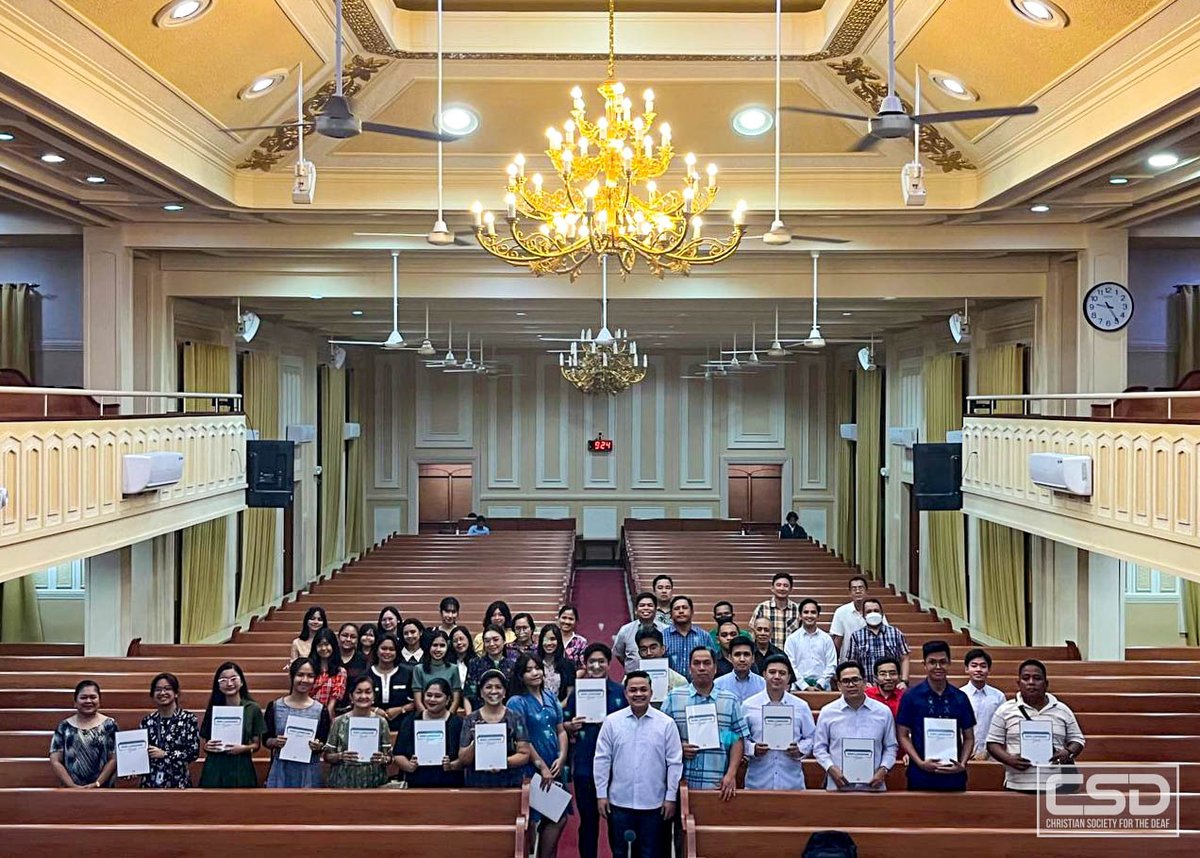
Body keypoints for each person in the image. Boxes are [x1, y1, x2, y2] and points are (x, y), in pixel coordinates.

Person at [594, 671, 683, 858]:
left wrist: (670, 797)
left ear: (651, 692)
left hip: (655, 804)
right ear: (625, 693)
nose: (638, 694)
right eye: (633, 690)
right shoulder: (612, 722)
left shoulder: (666, 724)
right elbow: (602, 759)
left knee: (651, 853)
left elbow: (674, 763)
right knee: (620, 853)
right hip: (619, 803)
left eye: (643, 689)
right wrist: (601, 794)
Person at [662, 646, 750, 802]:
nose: (701, 668)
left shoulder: (729, 700)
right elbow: (660, 737)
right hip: (679, 783)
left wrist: (731, 774)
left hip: (717, 784)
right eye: (696, 663)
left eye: (707, 663)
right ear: (690, 668)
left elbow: (737, 739)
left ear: (715, 668)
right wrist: (679, 747)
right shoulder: (674, 697)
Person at [564, 643, 626, 858]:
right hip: (584, 766)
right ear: (585, 664)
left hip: (616, 769)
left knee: (616, 824)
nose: (596, 666)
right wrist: (570, 726)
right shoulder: (577, 692)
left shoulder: (621, 692)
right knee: (588, 823)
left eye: (601, 661)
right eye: (592, 662)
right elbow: (564, 724)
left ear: (609, 664)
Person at [986, 659, 1085, 792]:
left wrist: (1067, 752)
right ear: (1018, 683)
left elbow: (1078, 739)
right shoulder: (1005, 710)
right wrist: (1009, 759)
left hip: (1056, 786)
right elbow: (992, 743)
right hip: (1017, 784)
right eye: (1026, 678)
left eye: (1037, 678)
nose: (1031, 682)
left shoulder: (1062, 709)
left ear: (1046, 683)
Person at [508, 654, 571, 857]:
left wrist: (561, 758)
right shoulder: (516, 702)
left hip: (555, 764)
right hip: (531, 768)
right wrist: (541, 766)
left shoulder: (550, 696)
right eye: (528, 670)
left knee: (557, 816)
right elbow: (522, 738)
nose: (535, 673)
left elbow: (560, 730)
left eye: (537, 668)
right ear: (520, 676)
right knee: (537, 819)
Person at [895, 640, 975, 792]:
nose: (938, 667)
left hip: (954, 775)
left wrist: (962, 764)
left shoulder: (960, 697)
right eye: (932, 662)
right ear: (924, 664)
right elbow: (903, 735)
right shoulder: (911, 696)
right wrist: (919, 762)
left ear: (949, 663)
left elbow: (969, 737)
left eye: (943, 662)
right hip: (920, 775)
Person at [812, 661, 898, 791]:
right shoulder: (827, 712)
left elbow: (891, 747)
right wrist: (831, 768)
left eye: (855, 680)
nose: (851, 685)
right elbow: (819, 748)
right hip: (838, 787)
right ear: (839, 685)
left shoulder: (883, 712)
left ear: (864, 682)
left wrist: (883, 769)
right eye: (846, 681)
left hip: (873, 787)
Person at [743, 654, 816, 791]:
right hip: (757, 783)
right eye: (772, 672)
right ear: (764, 674)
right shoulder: (748, 705)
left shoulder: (801, 706)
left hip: (792, 783)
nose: (777, 676)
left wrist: (800, 749)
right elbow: (740, 739)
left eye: (782, 673)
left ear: (788, 678)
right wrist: (753, 749)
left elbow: (811, 737)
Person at [264, 657, 333, 788]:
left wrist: (318, 746)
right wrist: (274, 742)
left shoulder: (321, 709)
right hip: (281, 769)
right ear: (292, 676)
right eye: (300, 675)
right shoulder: (274, 706)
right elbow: (266, 739)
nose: (305, 680)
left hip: (310, 771)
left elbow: (324, 741)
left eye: (310, 676)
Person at [458, 669, 532, 788]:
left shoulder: (515, 717)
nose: (493, 691)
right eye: (488, 687)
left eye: (498, 687)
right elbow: (463, 759)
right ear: (481, 693)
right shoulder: (470, 719)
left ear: (504, 692)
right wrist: (476, 742)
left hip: (510, 783)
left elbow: (524, 754)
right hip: (477, 784)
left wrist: (502, 762)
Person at [199, 662, 266, 788]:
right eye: (223, 680)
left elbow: (256, 745)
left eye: (233, 679)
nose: (229, 684)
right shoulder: (214, 708)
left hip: (241, 765)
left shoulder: (253, 709)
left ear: (241, 682)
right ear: (218, 685)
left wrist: (243, 748)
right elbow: (206, 743)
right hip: (215, 766)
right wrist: (208, 747)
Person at [393, 678, 466, 787]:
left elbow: (465, 758)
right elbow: (398, 754)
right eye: (429, 695)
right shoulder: (410, 721)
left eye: (438, 696)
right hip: (416, 784)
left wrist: (452, 765)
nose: (432, 699)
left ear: (447, 700)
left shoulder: (458, 724)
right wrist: (408, 765)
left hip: (450, 784)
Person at [323, 675, 393, 789]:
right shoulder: (339, 722)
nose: (363, 696)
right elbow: (327, 756)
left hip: (374, 782)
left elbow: (390, 758)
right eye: (359, 692)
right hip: (342, 782)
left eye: (368, 692)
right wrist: (341, 756)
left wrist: (383, 759)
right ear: (351, 696)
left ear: (373, 696)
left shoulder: (381, 722)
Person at [49, 679, 117, 789]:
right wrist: (71, 785)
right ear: (75, 701)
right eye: (83, 697)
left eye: (93, 697)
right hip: (70, 789)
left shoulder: (110, 724)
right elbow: (55, 760)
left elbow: (113, 758)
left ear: (99, 701)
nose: (88, 701)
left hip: (103, 788)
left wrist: (97, 783)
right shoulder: (64, 726)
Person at [138, 672, 200, 789]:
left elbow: (193, 752)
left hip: (178, 782)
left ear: (176, 693)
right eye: (158, 689)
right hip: (150, 783)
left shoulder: (188, 719)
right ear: (152, 694)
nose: (162, 693)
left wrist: (165, 755)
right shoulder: (147, 721)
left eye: (167, 689)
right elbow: (139, 753)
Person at [846, 598, 910, 686]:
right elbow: (853, 663)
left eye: (876, 611)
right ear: (863, 615)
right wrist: (861, 683)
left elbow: (904, 658)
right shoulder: (856, 636)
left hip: (891, 685)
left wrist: (904, 681)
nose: (873, 614)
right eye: (869, 611)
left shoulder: (896, 633)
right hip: (868, 687)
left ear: (882, 613)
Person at [961, 648, 1005, 760]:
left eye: (983, 666)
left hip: (991, 755)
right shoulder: (959, 695)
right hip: (962, 754)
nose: (978, 669)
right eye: (974, 666)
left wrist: (987, 752)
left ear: (989, 669)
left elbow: (1002, 727)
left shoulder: (998, 696)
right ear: (966, 668)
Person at [784, 598, 837, 692]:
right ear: (800, 615)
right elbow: (790, 666)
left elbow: (831, 665)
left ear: (818, 615)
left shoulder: (826, 639)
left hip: (823, 688)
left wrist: (820, 684)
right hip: (797, 688)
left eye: (813, 612)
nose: (809, 615)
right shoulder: (792, 639)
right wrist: (804, 686)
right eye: (806, 612)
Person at [369, 633, 415, 730]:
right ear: (376, 650)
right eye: (384, 648)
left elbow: (416, 702)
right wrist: (375, 710)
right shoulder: (367, 674)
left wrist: (400, 709)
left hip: (403, 724)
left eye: (391, 649)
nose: (387, 652)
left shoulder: (407, 673)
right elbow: (357, 701)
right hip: (372, 723)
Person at [412, 628, 463, 714]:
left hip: (447, 716)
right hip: (424, 716)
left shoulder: (453, 668)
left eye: (442, 645)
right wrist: (427, 718)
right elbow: (418, 701)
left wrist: (447, 718)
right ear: (429, 646)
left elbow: (455, 700)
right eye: (435, 645)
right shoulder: (418, 669)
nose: (438, 649)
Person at [662, 595, 713, 680]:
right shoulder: (662, 636)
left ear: (692, 611)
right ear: (670, 613)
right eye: (677, 608)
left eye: (684, 608)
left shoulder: (704, 636)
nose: (681, 611)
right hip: (671, 687)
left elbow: (713, 661)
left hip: (699, 686)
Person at [466, 624, 519, 707]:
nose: (491, 644)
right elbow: (468, 695)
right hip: (479, 713)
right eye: (487, 641)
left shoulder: (513, 665)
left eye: (496, 640)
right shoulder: (474, 663)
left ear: (504, 640)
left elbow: (515, 695)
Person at [614, 591, 666, 671]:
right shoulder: (625, 630)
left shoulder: (665, 629)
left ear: (656, 609)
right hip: (633, 678)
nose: (646, 608)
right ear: (636, 610)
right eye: (642, 605)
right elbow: (619, 654)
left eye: (650, 605)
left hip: (660, 675)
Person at [750, 572, 802, 648]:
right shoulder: (762, 608)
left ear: (791, 589)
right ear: (772, 588)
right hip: (767, 657)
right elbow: (753, 633)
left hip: (790, 656)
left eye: (785, 586)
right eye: (778, 585)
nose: (782, 588)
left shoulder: (797, 610)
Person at [635, 628, 688, 701]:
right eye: (644, 649)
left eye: (653, 648)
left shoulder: (679, 681)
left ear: (663, 649)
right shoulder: (629, 680)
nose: (649, 653)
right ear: (639, 653)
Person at [714, 636, 766, 704]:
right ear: (730, 658)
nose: (742, 659)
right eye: (737, 654)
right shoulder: (718, 684)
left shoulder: (763, 684)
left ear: (753, 658)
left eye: (746, 654)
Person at [309, 627, 347, 719]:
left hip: (325, 714)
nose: (323, 648)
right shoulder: (308, 668)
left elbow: (332, 704)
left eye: (326, 644)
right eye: (319, 645)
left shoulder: (340, 671)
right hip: (307, 711)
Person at [830, 576, 869, 659]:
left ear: (866, 591)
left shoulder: (874, 610)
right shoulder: (841, 612)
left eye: (861, 588)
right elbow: (837, 641)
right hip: (848, 661)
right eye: (854, 589)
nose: (858, 591)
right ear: (850, 592)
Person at [538, 624, 577, 705]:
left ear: (558, 641)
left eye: (553, 639)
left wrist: (557, 710)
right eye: (545, 639)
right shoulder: (535, 664)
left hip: (561, 711)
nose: (549, 643)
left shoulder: (568, 665)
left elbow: (569, 696)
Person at [336, 623, 369, 694]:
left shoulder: (363, 659)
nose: (348, 639)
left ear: (357, 640)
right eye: (344, 635)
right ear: (338, 636)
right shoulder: (331, 656)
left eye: (353, 637)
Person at [449, 624, 476, 703]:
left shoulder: (476, 661)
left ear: (468, 640)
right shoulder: (447, 663)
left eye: (462, 639)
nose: (459, 643)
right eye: (455, 640)